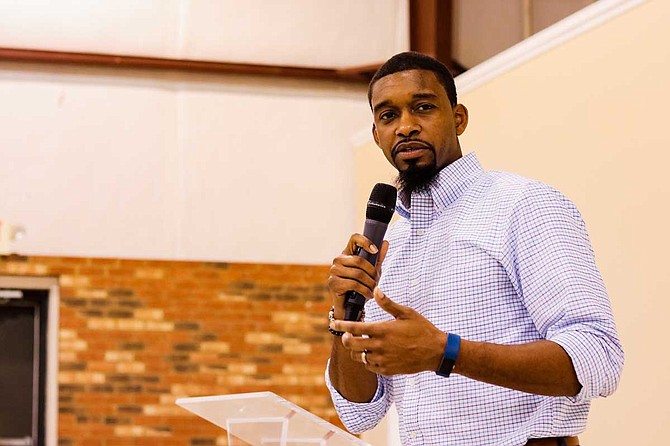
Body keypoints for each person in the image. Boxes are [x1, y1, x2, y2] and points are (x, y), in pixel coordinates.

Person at [325, 52, 624, 446]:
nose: (406, 127)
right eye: (388, 116)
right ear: (377, 134)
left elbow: (598, 358)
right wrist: (346, 312)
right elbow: (359, 411)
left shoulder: (524, 206)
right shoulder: (389, 248)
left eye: (423, 107)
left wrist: (446, 353)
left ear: (459, 118)